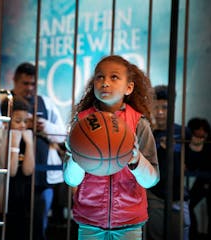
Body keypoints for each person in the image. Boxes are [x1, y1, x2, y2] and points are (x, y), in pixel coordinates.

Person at [63, 55, 160, 240]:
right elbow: (71, 180)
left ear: (129, 87)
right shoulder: (81, 123)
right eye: (99, 77)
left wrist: (136, 160)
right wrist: (75, 157)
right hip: (89, 221)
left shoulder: (139, 123)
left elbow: (151, 180)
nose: (105, 82)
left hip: (129, 222)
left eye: (114, 77)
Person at [0, 62, 67, 240]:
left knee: (38, 227)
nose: (29, 88)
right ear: (14, 81)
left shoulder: (45, 103)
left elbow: (62, 135)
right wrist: (14, 128)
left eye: (33, 84)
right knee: (9, 226)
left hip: (41, 178)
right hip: (10, 177)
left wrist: (44, 126)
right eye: (25, 83)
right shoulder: (2, 102)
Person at [146, 85, 191, 240]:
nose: (159, 112)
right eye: (156, 107)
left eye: (164, 107)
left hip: (179, 196)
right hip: (155, 196)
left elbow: (192, 160)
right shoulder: (148, 134)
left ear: (172, 107)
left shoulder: (183, 132)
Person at [0, 96, 35, 240]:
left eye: (25, 121)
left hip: (23, 193)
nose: (22, 125)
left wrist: (29, 144)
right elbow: (12, 172)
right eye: (18, 121)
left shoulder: (26, 138)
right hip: (7, 194)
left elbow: (28, 170)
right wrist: (14, 145)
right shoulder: (3, 137)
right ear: (6, 120)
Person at [185, 117, 211, 239]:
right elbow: (192, 162)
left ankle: (210, 236)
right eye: (198, 129)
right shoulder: (190, 142)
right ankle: (194, 233)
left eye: (203, 129)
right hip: (203, 179)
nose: (201, 132)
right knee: (189, 205)